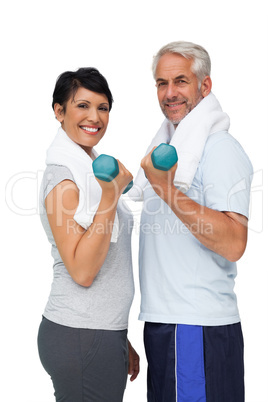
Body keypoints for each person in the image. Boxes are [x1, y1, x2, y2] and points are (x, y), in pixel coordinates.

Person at [130, 42, 253, 401]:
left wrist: (167, 191)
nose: (169, 94)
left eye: (180, 81)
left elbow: (234, 242)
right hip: (169, 321)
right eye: (161, 83)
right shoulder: (170, 150)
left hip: (194, 326)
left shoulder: (219, 149)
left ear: (205, 85)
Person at [37, 67, 139, 402]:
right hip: (81, 334)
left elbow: (105, 261)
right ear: (59, 111)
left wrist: (119, 338)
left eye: (103, 107)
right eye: (82, 106)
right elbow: (82, 271)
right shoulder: (65, 180)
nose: (94, 117)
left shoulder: (88, 165)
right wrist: (111, 195)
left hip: (96, 333)